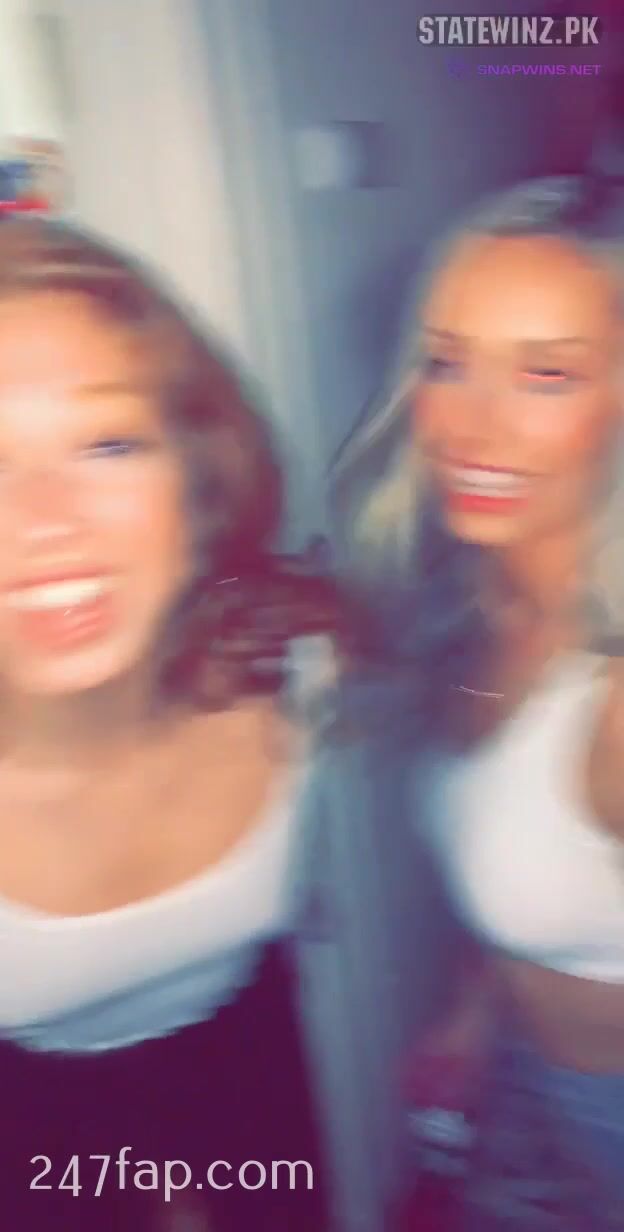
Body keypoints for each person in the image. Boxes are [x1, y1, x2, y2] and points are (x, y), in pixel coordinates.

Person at [0, 216, 443, 1232]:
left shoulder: (295, 671)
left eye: (107, 443)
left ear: (196, 482)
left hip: (253, 1073)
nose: (46, 519)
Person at [332, 175, 624, 1229]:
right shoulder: (473, 593)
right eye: (446, 362)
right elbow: (532, 859)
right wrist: (471, 1012)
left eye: (547, 374)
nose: (470, 426)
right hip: (522, 1077)